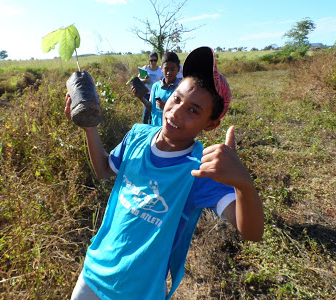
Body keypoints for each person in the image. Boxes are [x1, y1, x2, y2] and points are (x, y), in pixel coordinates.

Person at [65, 46, 264, 300]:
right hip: (94, 271)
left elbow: (252, 233)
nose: (176, 111)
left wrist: (243, 184)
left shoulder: (200, 169)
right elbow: (104, 169)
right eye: (177, 98)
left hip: (140, 290)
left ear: (211, 124)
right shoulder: (137, 134)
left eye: (193, 110)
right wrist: (89, 126)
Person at [132, 51, 181, 127]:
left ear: (178, 69)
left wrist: (167, 107)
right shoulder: (156, 86)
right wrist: (140, 97)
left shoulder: (181, 89)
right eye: (166, 69)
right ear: (161, 69)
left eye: (172, 69)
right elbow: (152, 108)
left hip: (172, 133)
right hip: (155, 130)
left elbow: (184, 114)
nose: (168, 72)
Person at [138, 52, 163, 124]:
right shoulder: (145, 69)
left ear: (157, 61)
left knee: (153, 112)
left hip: (156, 94)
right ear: (149, 61)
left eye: (155, 60)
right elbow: (138, 79)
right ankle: (145, 127)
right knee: (146, 112)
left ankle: (151, 128)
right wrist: (145, 80)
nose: (153, 62)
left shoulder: (160, 70)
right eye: (151, 60)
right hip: (146, 93)